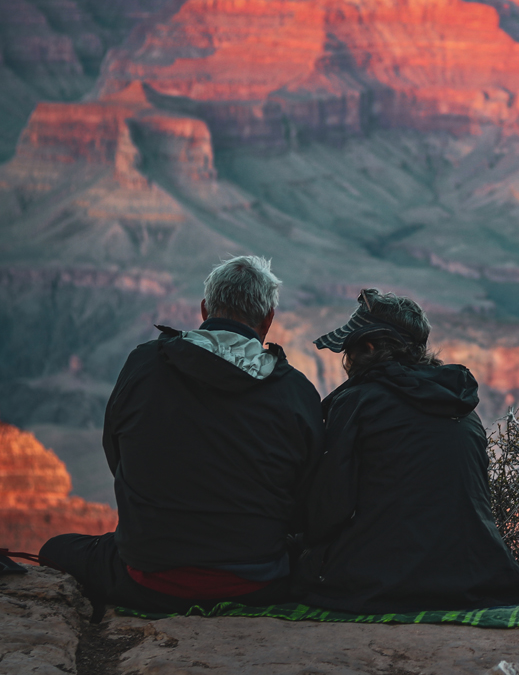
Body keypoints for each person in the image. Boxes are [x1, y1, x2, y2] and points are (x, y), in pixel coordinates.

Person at [40, 256, 323, 614]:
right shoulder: (296, 390)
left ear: (204, 309)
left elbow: (117, 453)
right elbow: (307, 491)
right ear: (268, 319)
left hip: (148, 578)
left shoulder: (145, 363)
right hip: (258, 582)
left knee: (56, 548)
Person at [297, 288, 519, 613]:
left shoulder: (358, 402)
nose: (345, 363)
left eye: (347, 351)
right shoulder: (462, 405)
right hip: (478, 579)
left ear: (367, 347)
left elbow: (326, 511)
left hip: (383, 585)